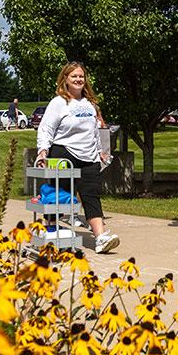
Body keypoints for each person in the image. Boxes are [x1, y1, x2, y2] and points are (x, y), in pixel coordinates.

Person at [35, 63, 120, 254]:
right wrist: (43, 151)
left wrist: (99, 151)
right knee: (59, 196)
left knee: (91, 195)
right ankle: (51, 233)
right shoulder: (58, 103)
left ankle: (100, 237)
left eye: (81, 76)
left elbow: (94, 131)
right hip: (64, 153)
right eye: (74, 76)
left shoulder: (89, 104)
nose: (78, 79)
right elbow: (46, 128)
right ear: (65, 79)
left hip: (89, 157)